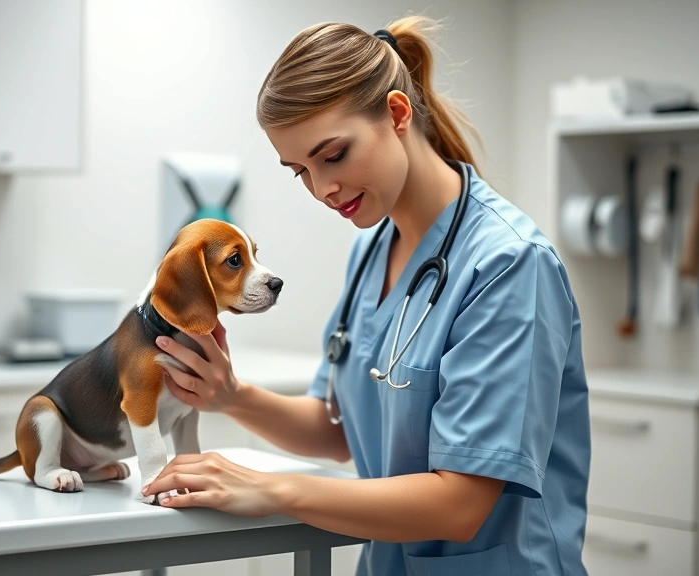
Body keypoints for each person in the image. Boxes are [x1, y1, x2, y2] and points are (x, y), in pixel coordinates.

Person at [141, 14, 590, 576]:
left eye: (333, 155)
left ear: (397, 114)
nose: (323, 190)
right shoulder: (372, 251)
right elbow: (340, 431)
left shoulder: (508, 265)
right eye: (299, 170)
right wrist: (229, 394)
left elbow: (460, 504)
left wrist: (271, 489)